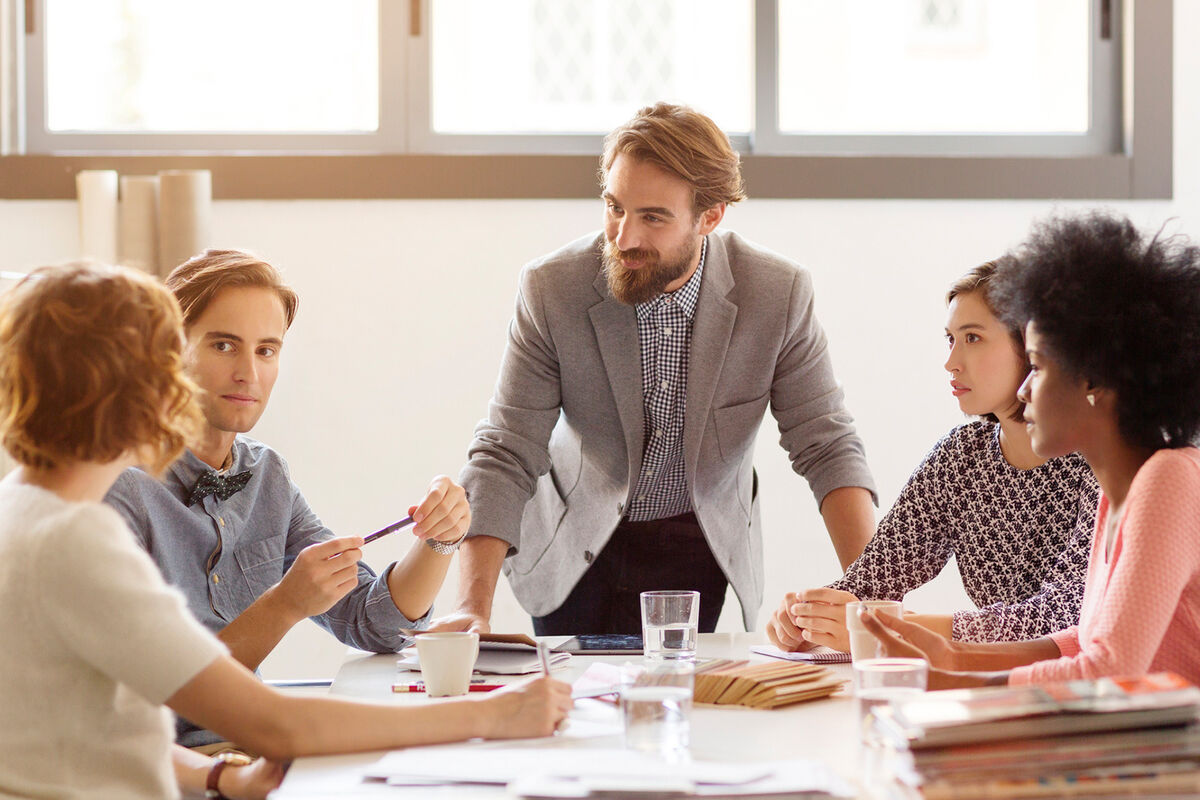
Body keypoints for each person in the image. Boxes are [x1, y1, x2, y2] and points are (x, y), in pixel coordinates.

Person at [0, 264, 570, 800]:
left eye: (267, 349)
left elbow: (100, 724)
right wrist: (493, 715)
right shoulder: (81, 537)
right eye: (172, 361)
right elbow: (270, 726)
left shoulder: (24, 506)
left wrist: (223, 778)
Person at [436, 102, 878, 637]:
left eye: (653, 217)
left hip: (699, 548)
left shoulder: (777, 294)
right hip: (573, 547)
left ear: (709, 217)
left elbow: (825, 444)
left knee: (688, 710)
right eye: (614, 207)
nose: (623, 238)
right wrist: (469, 610)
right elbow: (507, 450)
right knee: (577, 713)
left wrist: (870, 601)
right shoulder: (552, 289)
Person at [105, 250, 472, 748]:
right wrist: (284, 605)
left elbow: (373, 623)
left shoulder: (266, 475)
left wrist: (439, 541)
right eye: (223, 345)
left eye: (266, 351)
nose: (248, 374)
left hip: (255, 747)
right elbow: (143, 697)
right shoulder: (117, 490)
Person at [861, 212, 1200, 689]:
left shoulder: (1169, 479)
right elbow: (1084, 642)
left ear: (1095, 382)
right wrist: (954, 656)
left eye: (1036, 366)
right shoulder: (1119, 490)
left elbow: (1106, 672)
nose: (1024, 391)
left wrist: (956, 681)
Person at [767, 261, 1098, 652]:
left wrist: (905, 628)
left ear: (1032, 347)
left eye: (973, 338)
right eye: (951, 340)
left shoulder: (1096, 459)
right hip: (990, 684)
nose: (951, 362)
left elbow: (1068, 615)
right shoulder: (960, 458)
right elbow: (870, 581)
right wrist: (808, 615)